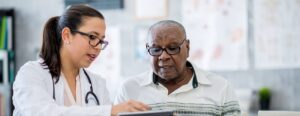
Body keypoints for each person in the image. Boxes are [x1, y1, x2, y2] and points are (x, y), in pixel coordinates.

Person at [12, 5, 149, 116]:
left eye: (101, 41)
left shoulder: (97, 84)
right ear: (67, 35)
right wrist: (110, 111)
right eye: (92, 37)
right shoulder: (31, 73)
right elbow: (40, 112)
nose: (98, 47)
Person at [114, 20, 241, 116]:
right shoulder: (128, 90)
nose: (163, 56)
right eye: (156, 49)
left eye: (173, 48)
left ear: (187, 47)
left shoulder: (221, 88)